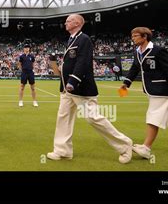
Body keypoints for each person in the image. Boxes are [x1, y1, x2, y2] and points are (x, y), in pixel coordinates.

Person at [47, 14, 132, 164]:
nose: (65, 23)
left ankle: (125, 145)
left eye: (69, 20)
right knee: (63, 118)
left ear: (77, 23)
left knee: (93, 118)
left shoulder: (83, 39)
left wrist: (73, 80)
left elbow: (83, 62)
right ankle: (62, 150)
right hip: (67, 89)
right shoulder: (72, 39)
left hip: (80, 87)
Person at [120, 27, 168, 159]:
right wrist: (126, 83)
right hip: (151, 90)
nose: (133, 38)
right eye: (132, 36)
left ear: (145, 37)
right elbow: (135, 68)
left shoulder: (158, 50)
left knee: (153, 116)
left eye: (136, 35)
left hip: (162, 90)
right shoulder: (137, 52)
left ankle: (146, 148)